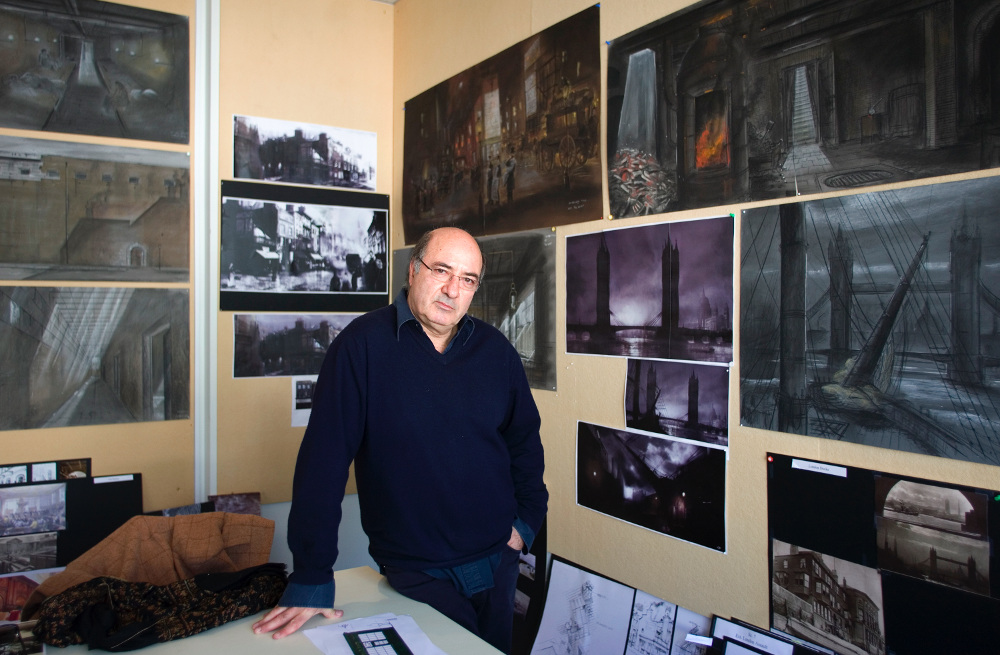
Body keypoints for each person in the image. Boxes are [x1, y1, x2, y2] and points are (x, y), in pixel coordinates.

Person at [252, 227, 547, 654]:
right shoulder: (360, 348)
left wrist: (525, 524)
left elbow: (524, 443)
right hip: (417, 573)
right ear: (413, 270)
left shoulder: (496, 352)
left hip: (498, 560)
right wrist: (311, 577)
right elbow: (323, 465)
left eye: (467, 279)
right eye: (441, 270)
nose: (452, 290)